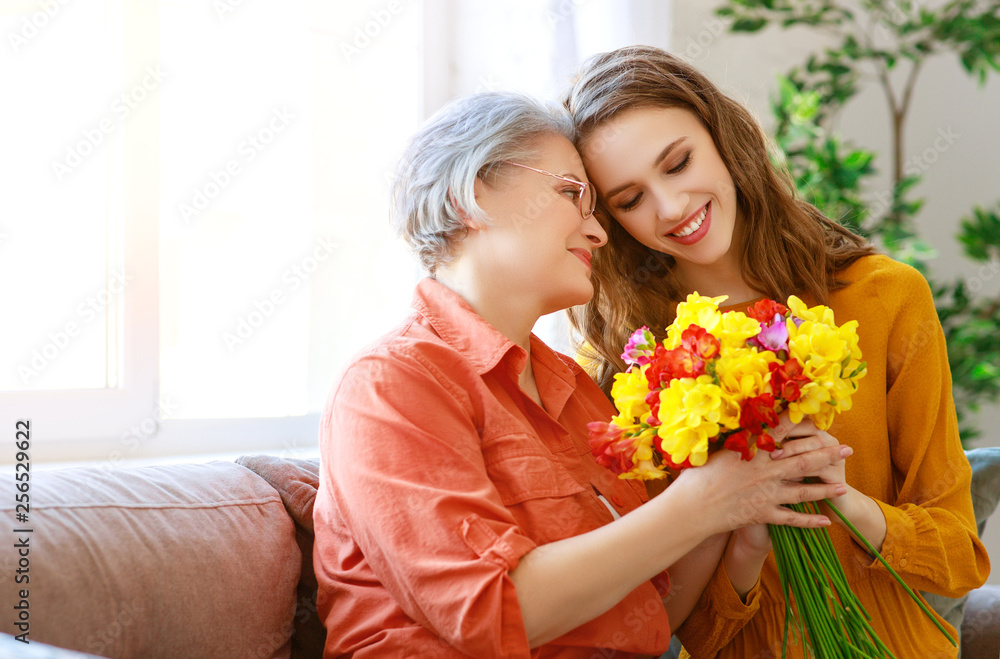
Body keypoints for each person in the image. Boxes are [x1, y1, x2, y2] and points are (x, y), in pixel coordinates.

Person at [311, 90, 854, 658]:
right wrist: (700, 504)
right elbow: (492, 616)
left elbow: (650, 618)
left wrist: (740, 517)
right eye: (572, 194)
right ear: (473, 198)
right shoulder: (391, 386)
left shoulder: (576, 391)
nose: (598, 233)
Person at [564, 45, 990, 658]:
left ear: (722, 137)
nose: (672, 207)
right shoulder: (617, 364)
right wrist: (740, 537)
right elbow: (684, 632)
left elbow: (959, 560)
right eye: (630, 199)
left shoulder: (885, 297)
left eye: (678, 163)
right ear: (609, 219)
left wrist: (845, 501)